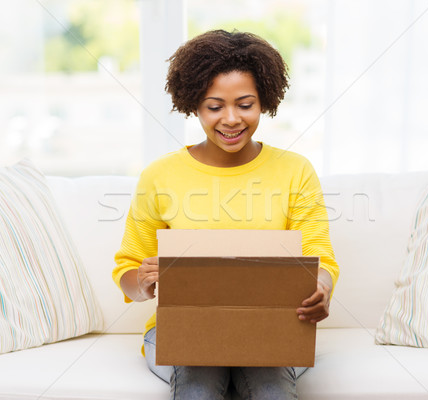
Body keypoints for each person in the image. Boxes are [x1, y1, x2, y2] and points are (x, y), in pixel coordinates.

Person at [113, 29, 339, 400]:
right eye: (215, 106)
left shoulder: (295, 170)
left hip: (272, 328)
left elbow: (321, 257)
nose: (231, 119)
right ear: (194, 106)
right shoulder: (159, 175)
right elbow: (127, 270)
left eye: (245, 104)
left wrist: (322, 288)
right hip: (181, 331)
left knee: (272, 389)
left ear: (264, 101)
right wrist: (144, 281)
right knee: (197, 385)